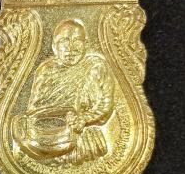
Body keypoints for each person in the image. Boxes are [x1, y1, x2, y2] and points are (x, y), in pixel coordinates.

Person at [12, 19, 114, 164]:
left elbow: (105, 105)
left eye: (77, 41)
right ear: (54, 46)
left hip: (84, 133)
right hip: (48, 136)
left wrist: (84, 119)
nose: (70, 48)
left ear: (86, 44)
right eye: (64, 41)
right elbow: (34, 110)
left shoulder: (96, 67)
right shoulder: (46, 70)